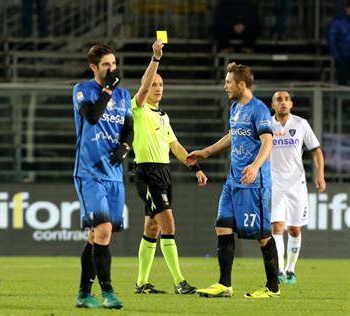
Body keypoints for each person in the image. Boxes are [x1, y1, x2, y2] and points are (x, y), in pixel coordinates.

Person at [188, 62, 280, 299]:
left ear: (242, 84)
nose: (225, 86)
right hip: (233, 181)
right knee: (222, 226)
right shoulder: (236, 108)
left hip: (254, 183)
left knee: (262, 235)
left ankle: (272, 287)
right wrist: (207, 152)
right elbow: (232, 134)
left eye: (228, 82)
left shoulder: (258, 109)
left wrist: (255, 166)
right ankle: (224, 284)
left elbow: (268, 141)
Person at [132, 40, 208, 295]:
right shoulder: (139, 108)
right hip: (147, 173)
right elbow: (143, 87)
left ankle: (141, 283)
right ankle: (179, 281)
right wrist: (156, 58)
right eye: (154, 84)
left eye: (161, 84)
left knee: (152, 228)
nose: (157, 88)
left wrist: (194, 167)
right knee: (168, 224)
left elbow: (175, 146)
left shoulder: (163, 116)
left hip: (164, 172)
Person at [72, 43, 133, 309]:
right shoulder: (82, 90)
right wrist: (107, 89)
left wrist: (125, 147)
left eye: (113, 64)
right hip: (89, 172)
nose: (111, 69)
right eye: (106, 65)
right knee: (104, 230)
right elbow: (93, 117)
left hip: (114, 175)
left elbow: (129, 128)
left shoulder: (124, 95)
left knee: (96, 236)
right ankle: (107, 292)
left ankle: (84, 294)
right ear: (93, 67)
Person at [270, 91, 326, 285]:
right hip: (274, 184)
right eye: (279, 99)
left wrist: (319, 175)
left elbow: (316, 151)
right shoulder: (267, 125)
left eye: (286, 99)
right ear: (273, 105)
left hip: (296, 185)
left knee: (294, 229)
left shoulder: (301, 124)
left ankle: (290, 269)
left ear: (291, 104)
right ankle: (278, 271)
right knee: (276, 227)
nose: (283, 102)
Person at [328, 0, 350, 85]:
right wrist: (337, 56)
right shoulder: (337, 23)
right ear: (347, 9)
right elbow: (332, 40)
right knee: (342, 82)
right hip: (343, 58)